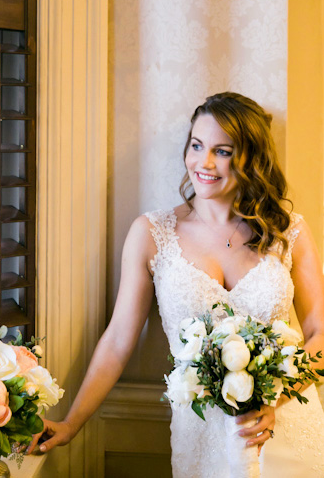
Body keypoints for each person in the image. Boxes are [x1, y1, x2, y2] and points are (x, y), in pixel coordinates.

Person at [32, 93, 324, 476]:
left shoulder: (289, 232)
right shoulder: (151, 233)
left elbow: (320, 331)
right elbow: (119, 339)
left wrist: (276, 399)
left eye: (222, 151)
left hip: (284, 427)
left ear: (252, 158)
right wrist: (71, 424)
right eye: (197, 145)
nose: (203, 163)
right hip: (200, 437)